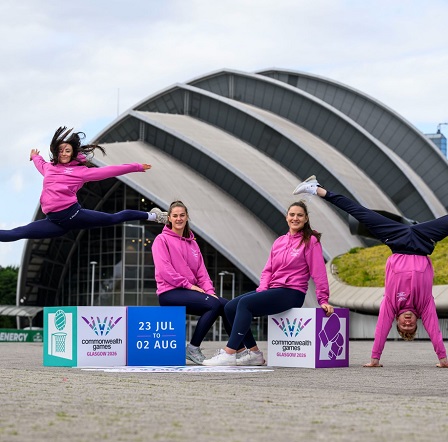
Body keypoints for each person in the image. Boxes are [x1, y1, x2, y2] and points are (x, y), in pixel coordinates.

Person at [293, 175, 448, 368]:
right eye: (411, 325)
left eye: (403, 326)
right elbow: (434, 329)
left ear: (397, 322)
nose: (407, 323)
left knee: (359, 212)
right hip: (423, 240)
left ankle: (315, 188)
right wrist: (443, 359)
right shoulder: (425, 305)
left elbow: (381, 329)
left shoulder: (390, 304)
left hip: (397, 239)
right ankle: (314, 188)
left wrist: (375, 360)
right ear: (417, 321)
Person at [202, 201, 334, 366]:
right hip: (273, 289)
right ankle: (254, 354)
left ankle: (229, 353)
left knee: (244, 304)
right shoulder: (279, 241)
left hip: (292, 292)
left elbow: (319, 272)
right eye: (292, 214)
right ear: (286, 217)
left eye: (300, 215)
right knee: (229, 307)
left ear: (306, 218)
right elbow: (268, 270)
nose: (295, 218)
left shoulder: (310, 241)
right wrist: (263, 289)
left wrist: (323, 299)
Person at [0, 126, 167, 242]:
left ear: (72, 153)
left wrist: (135, 167)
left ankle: (154, 216)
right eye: (60, 151)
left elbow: (110, 171)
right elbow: (40, 163)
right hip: (53, 222)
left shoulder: (81, 173)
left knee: (114, 218)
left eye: (67, 151)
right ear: (56, 152)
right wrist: (35, 156)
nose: (63, 154)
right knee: (18, 232)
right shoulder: (49, 168)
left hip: (73, 215)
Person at [151, 200, 238, 365]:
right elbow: (165, 271)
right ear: (169, 218)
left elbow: (201, 273)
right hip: (170, 292)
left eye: (182, 215)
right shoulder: (161, 240)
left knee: (226, 305)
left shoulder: (193, 244)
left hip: (190, 291)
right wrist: (190, 286)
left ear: (187, 217)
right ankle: (193, 348)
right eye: (175, 215)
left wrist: (209, 291)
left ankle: (237, 350)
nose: (178, 219)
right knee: (213, 305)